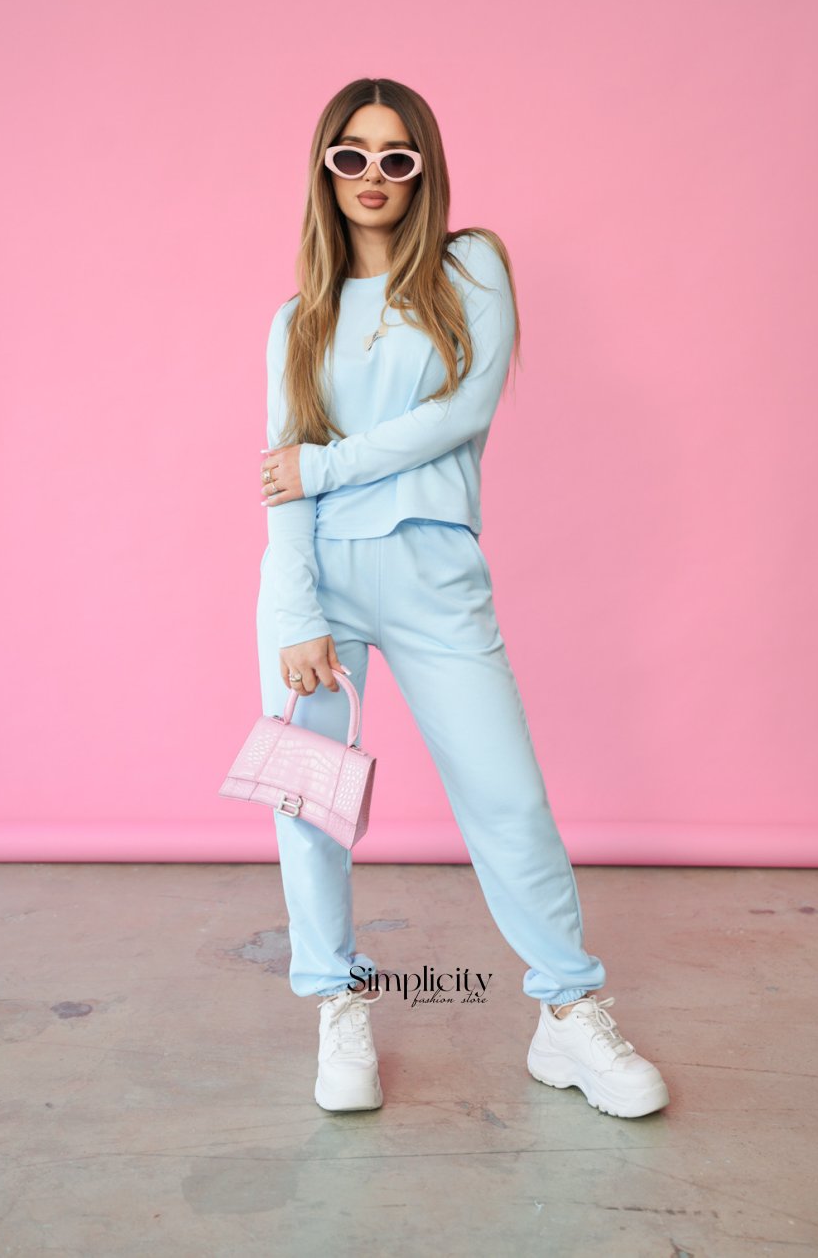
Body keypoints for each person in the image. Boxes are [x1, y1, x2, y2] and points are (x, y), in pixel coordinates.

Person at [255, 78, 669, 1120]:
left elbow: (458, 412)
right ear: (324, 169)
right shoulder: (296, 322)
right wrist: (296, 614)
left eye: (397, 157)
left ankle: (567, 1010)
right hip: (318, 585)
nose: (373, 175)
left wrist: (327, 463)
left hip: (435, 574)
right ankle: (336, 1000)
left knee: (505, 794)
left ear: (423, 171)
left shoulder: (468, 268)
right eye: (351, 155)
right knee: (310, 808)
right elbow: (281, 487)